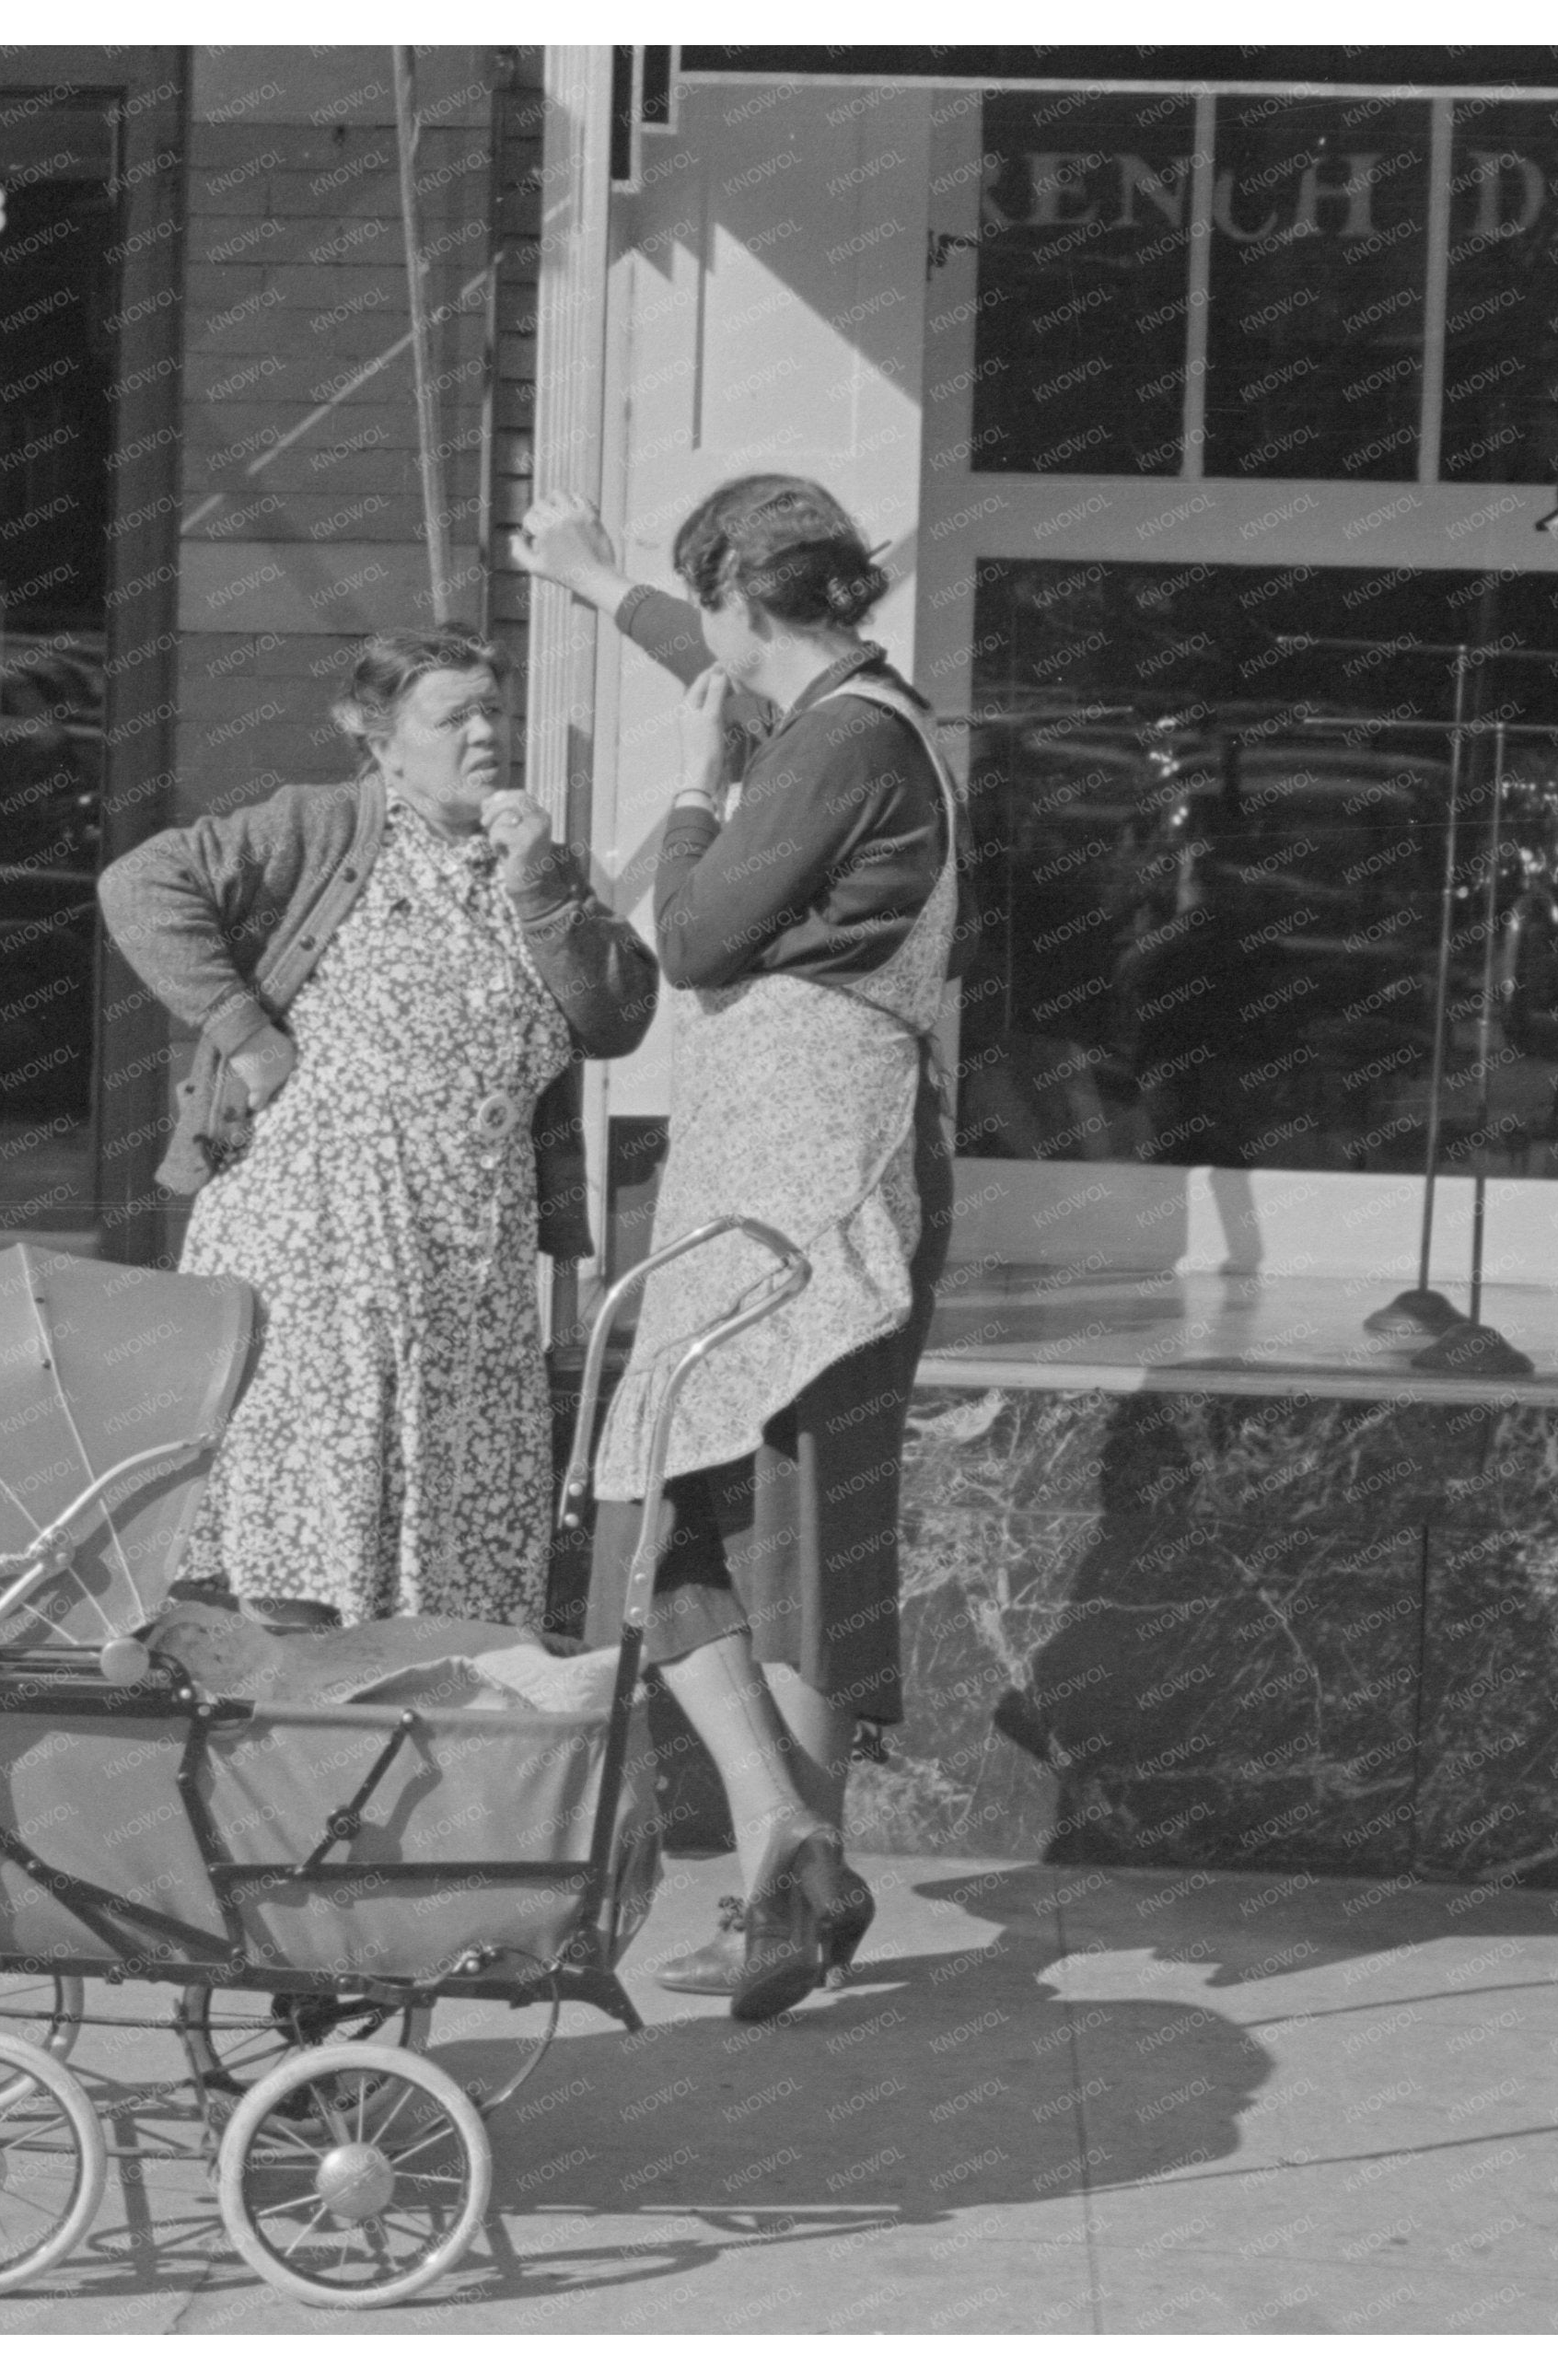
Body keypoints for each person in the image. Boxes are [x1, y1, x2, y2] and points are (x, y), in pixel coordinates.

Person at [515, 482, 961, 2022]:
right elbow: (709, 664)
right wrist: (594, 582)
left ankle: (785, 1867)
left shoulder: (835, 743)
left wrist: (696, 783)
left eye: (708, 609)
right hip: (773, 1170)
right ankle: (791, 1867)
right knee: (725, 1514)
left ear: (751, 611)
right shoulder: (841, 714)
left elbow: (693, 934)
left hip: (817, 1180)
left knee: (754, 1520)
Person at [99, 628, 654, 1630]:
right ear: (383, 740)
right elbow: (139, 885)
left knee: (458, 1531)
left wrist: (538, 883)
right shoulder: (319, 826)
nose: (486, 733)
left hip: (467, 1269)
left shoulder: (530, 857)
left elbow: (617, 1016)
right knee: (304, 1515)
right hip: (318, 1246)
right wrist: (247, 1036)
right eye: (455, 717)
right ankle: (287, 1744)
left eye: (495, 711)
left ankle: (418, 1743)